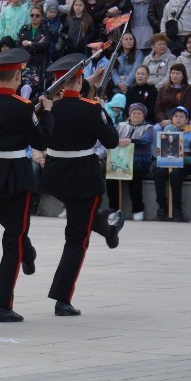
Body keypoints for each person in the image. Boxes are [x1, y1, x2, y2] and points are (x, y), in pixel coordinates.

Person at [41, 52, 124, 316]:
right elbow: (111, 141)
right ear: (78, 81)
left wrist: (89, 83)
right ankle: (62, 299)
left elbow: (70, 92)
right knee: (77, 239)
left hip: (55, 175)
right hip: (82, 177)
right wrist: (102, 109)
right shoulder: (90, 109)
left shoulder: (47, 107)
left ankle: (109, 228)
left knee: (83, 218)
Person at [108, 102, 154, 221]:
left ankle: (138, 209)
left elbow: (146, 141)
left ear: (144, 115)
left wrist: (131, 141)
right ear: (129, 114)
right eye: (134, 113)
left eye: (139, 113)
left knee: (135, 177)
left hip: (139, 160)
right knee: (111, 177)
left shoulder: (148, 128)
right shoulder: (121, 125)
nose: (136, 115)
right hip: (120, 159)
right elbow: (113, 137)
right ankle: (113, 208)